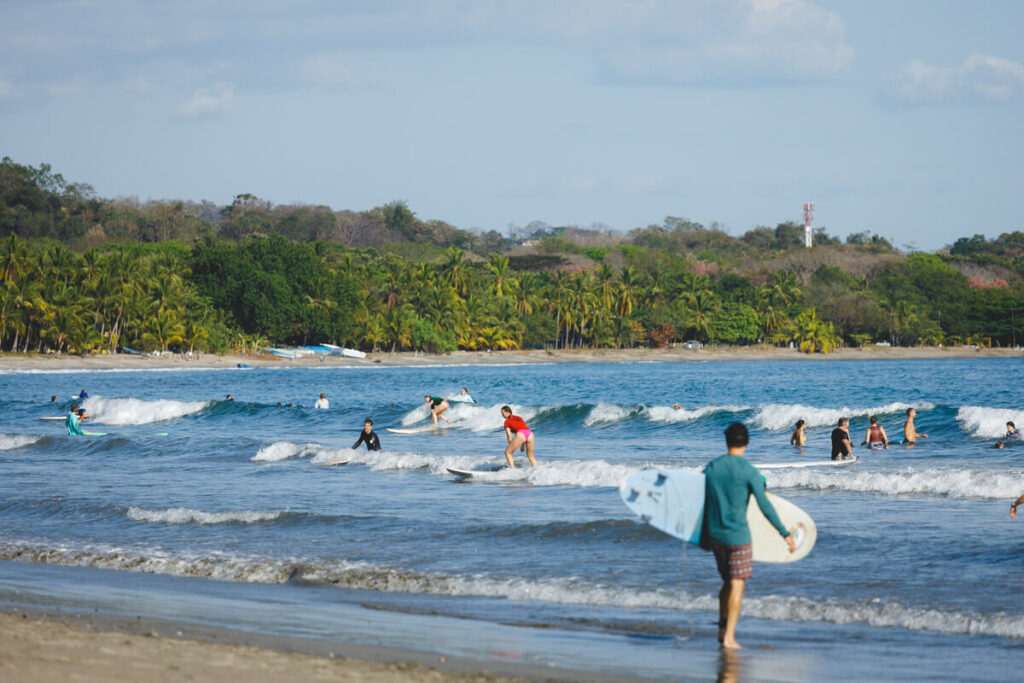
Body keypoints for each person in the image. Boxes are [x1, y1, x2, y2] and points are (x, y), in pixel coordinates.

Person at [701, 422, 795, 649]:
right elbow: (765, 506)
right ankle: (729, 638)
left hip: (716, 536)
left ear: (727, 441)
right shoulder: (749, 471)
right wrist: (785, 533)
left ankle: (722, 629)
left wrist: (701, 535)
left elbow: (700, 501)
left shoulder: (711, 468)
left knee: (726, 582)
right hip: (738, 537)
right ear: (746, 442)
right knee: (737, 584)